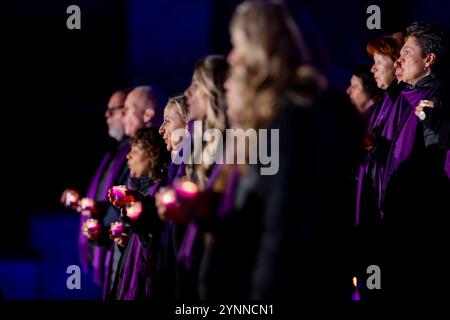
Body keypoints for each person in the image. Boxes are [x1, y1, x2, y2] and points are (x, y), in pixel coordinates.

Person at [199, 1, 363, 302]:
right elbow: (254, 214)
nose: (232, 58)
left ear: (262, 50)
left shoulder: (292, 122)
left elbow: (283, 231)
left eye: (238, 45)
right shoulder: (266, 118)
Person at [382, 21, 450, 301]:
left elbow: (438, 165)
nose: (399, 59)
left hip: (419, 232)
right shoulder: (409, 96)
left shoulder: (437, 101)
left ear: (428, 60)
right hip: (400, 223)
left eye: (407, 52)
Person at [61, 89, 130, 292]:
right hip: (104, 244)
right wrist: (86, 204)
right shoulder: (114, 152)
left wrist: (98, 210)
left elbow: (126, 201)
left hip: (115, 245)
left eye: (113, 110)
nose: (106, 115)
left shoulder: (133, 154)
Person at [108, 127, 170, 300]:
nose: (128, 157)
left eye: (135, 151)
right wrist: (123, 241)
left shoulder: (159, 192)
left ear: (153, 155)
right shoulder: (140, 191)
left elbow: (153, 240)